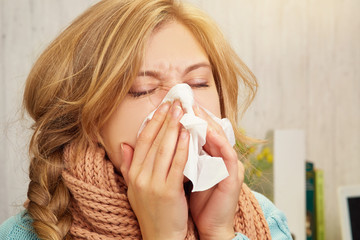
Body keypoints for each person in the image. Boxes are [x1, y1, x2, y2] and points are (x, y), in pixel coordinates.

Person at [0, 0, 293, 239]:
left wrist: (218, 232)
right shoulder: (23, 234)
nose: (181, 102)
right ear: (90, 123)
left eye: (199, 82)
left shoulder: (265, 219)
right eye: (143, 90)